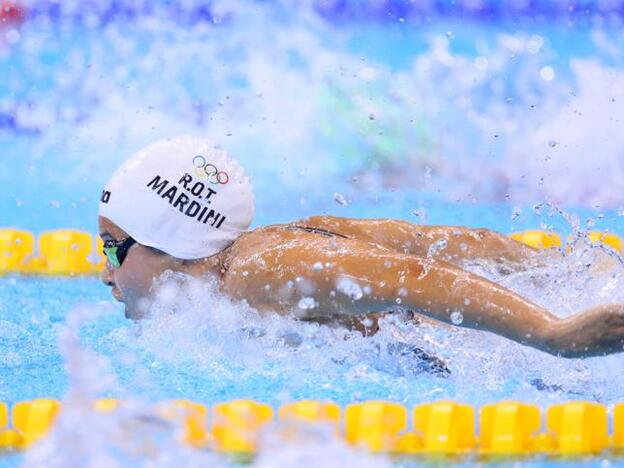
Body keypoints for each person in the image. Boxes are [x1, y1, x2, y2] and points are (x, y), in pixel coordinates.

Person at [98, 136, 624, 360]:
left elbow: (416, 276)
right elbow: (456, 243)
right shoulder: (280, 244)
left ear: (169, 241)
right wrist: (564, 267)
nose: (106, 274)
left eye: (112, 250)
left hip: (491, 358)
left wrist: (553, 334)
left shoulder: (264, 271)